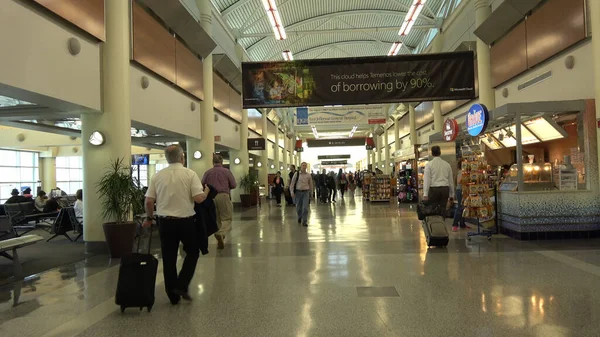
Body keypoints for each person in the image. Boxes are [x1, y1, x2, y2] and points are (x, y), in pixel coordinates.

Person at [143, 145, 209, 304]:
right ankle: (182, 284)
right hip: (186, 222)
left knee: (169, 257)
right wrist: (206, 191)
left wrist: (150, 218)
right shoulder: (189, 174)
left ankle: (173, 296)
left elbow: (149, 201)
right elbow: (199, 198)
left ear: (166, 158)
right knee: (193, 252)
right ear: (182, 157)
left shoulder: (157, 176)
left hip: (165, 223)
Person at [202, 154, 236, 250]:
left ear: (213, 162)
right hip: (223, 196)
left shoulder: (207, 172)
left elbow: (202, 184)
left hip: (211, 197)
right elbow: (233, 185)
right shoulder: (226, 172)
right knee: (227, 218)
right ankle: (220, 233)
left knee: (216, 218)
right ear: (222, 162)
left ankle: (220, 238)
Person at [423, 145, 455, 216]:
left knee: (433, 209)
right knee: (443, 209)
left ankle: (435, 225)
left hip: (434, 190)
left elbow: (427, 180)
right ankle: (442, 223)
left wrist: (425, 194)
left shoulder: (429, 165)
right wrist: (452, 194)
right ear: (440, 153)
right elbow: (450, 181)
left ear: (432, 153)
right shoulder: (447, 165)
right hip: (445, 189)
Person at [290, 162, 313, 226]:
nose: (304, 166)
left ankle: (304, 221)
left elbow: (311, 184)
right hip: (298, 192)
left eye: (305, 165)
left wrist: (311, 192)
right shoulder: (296, 174)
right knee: (298, 207)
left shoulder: (308, 175)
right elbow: (292, 183)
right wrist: (292, 192)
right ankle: (299, 216)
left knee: (305, 207)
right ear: (301, 166)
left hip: (306, 192)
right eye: (303, 165)